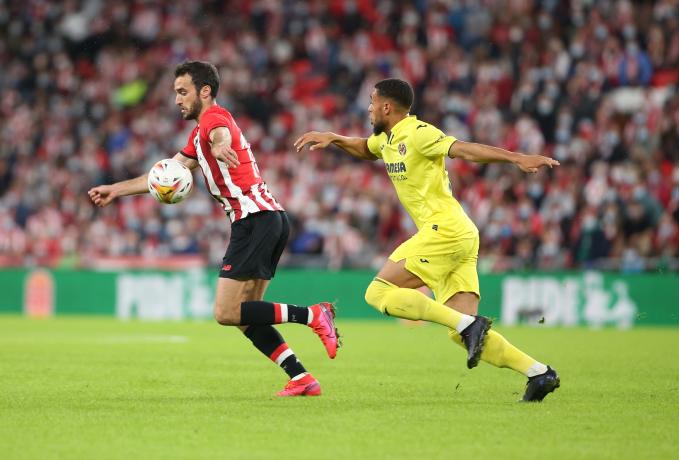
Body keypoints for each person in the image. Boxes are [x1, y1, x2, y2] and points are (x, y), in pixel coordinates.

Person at [295, 78, 560, 402]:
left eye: (371, 102)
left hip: (445, 230)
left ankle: (470, 325)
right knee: (459, 332)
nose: (368, 108)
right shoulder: (386, 139)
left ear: (386, 107)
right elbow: (365, 148)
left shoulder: (419, 133)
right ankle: (539, 373)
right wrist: (334, 138)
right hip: (460, 234)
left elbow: (463, 150)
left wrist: (516, 157)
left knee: (378, 292)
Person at [89, 61, 339, 397]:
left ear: (204, 91)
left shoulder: (213, 119)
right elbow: (165, 172)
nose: (177, 99)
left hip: (254, 220)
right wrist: (116, 189)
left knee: (225, 312)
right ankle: (301, 377)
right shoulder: (198, 134)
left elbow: (218, 132)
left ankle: (313, 314)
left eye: (182, 91)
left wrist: (222, 144)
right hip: (268, 218)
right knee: (247, 316)